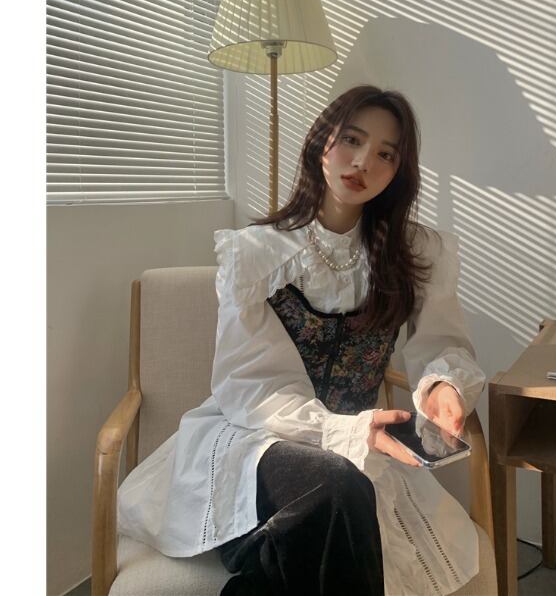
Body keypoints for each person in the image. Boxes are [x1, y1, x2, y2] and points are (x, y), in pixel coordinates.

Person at [117, 85, 487, 595]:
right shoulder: (256, 256)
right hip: (255, 437)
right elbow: (251, 389)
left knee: (326, 507)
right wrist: (343, 432)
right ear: (321, 142)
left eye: (385, 154)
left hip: (358, 445)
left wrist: (444, 384)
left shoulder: (417, 253)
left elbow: (442, 342)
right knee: (335, 485)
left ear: (398, 171)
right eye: (352, 140)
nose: (363, 161)